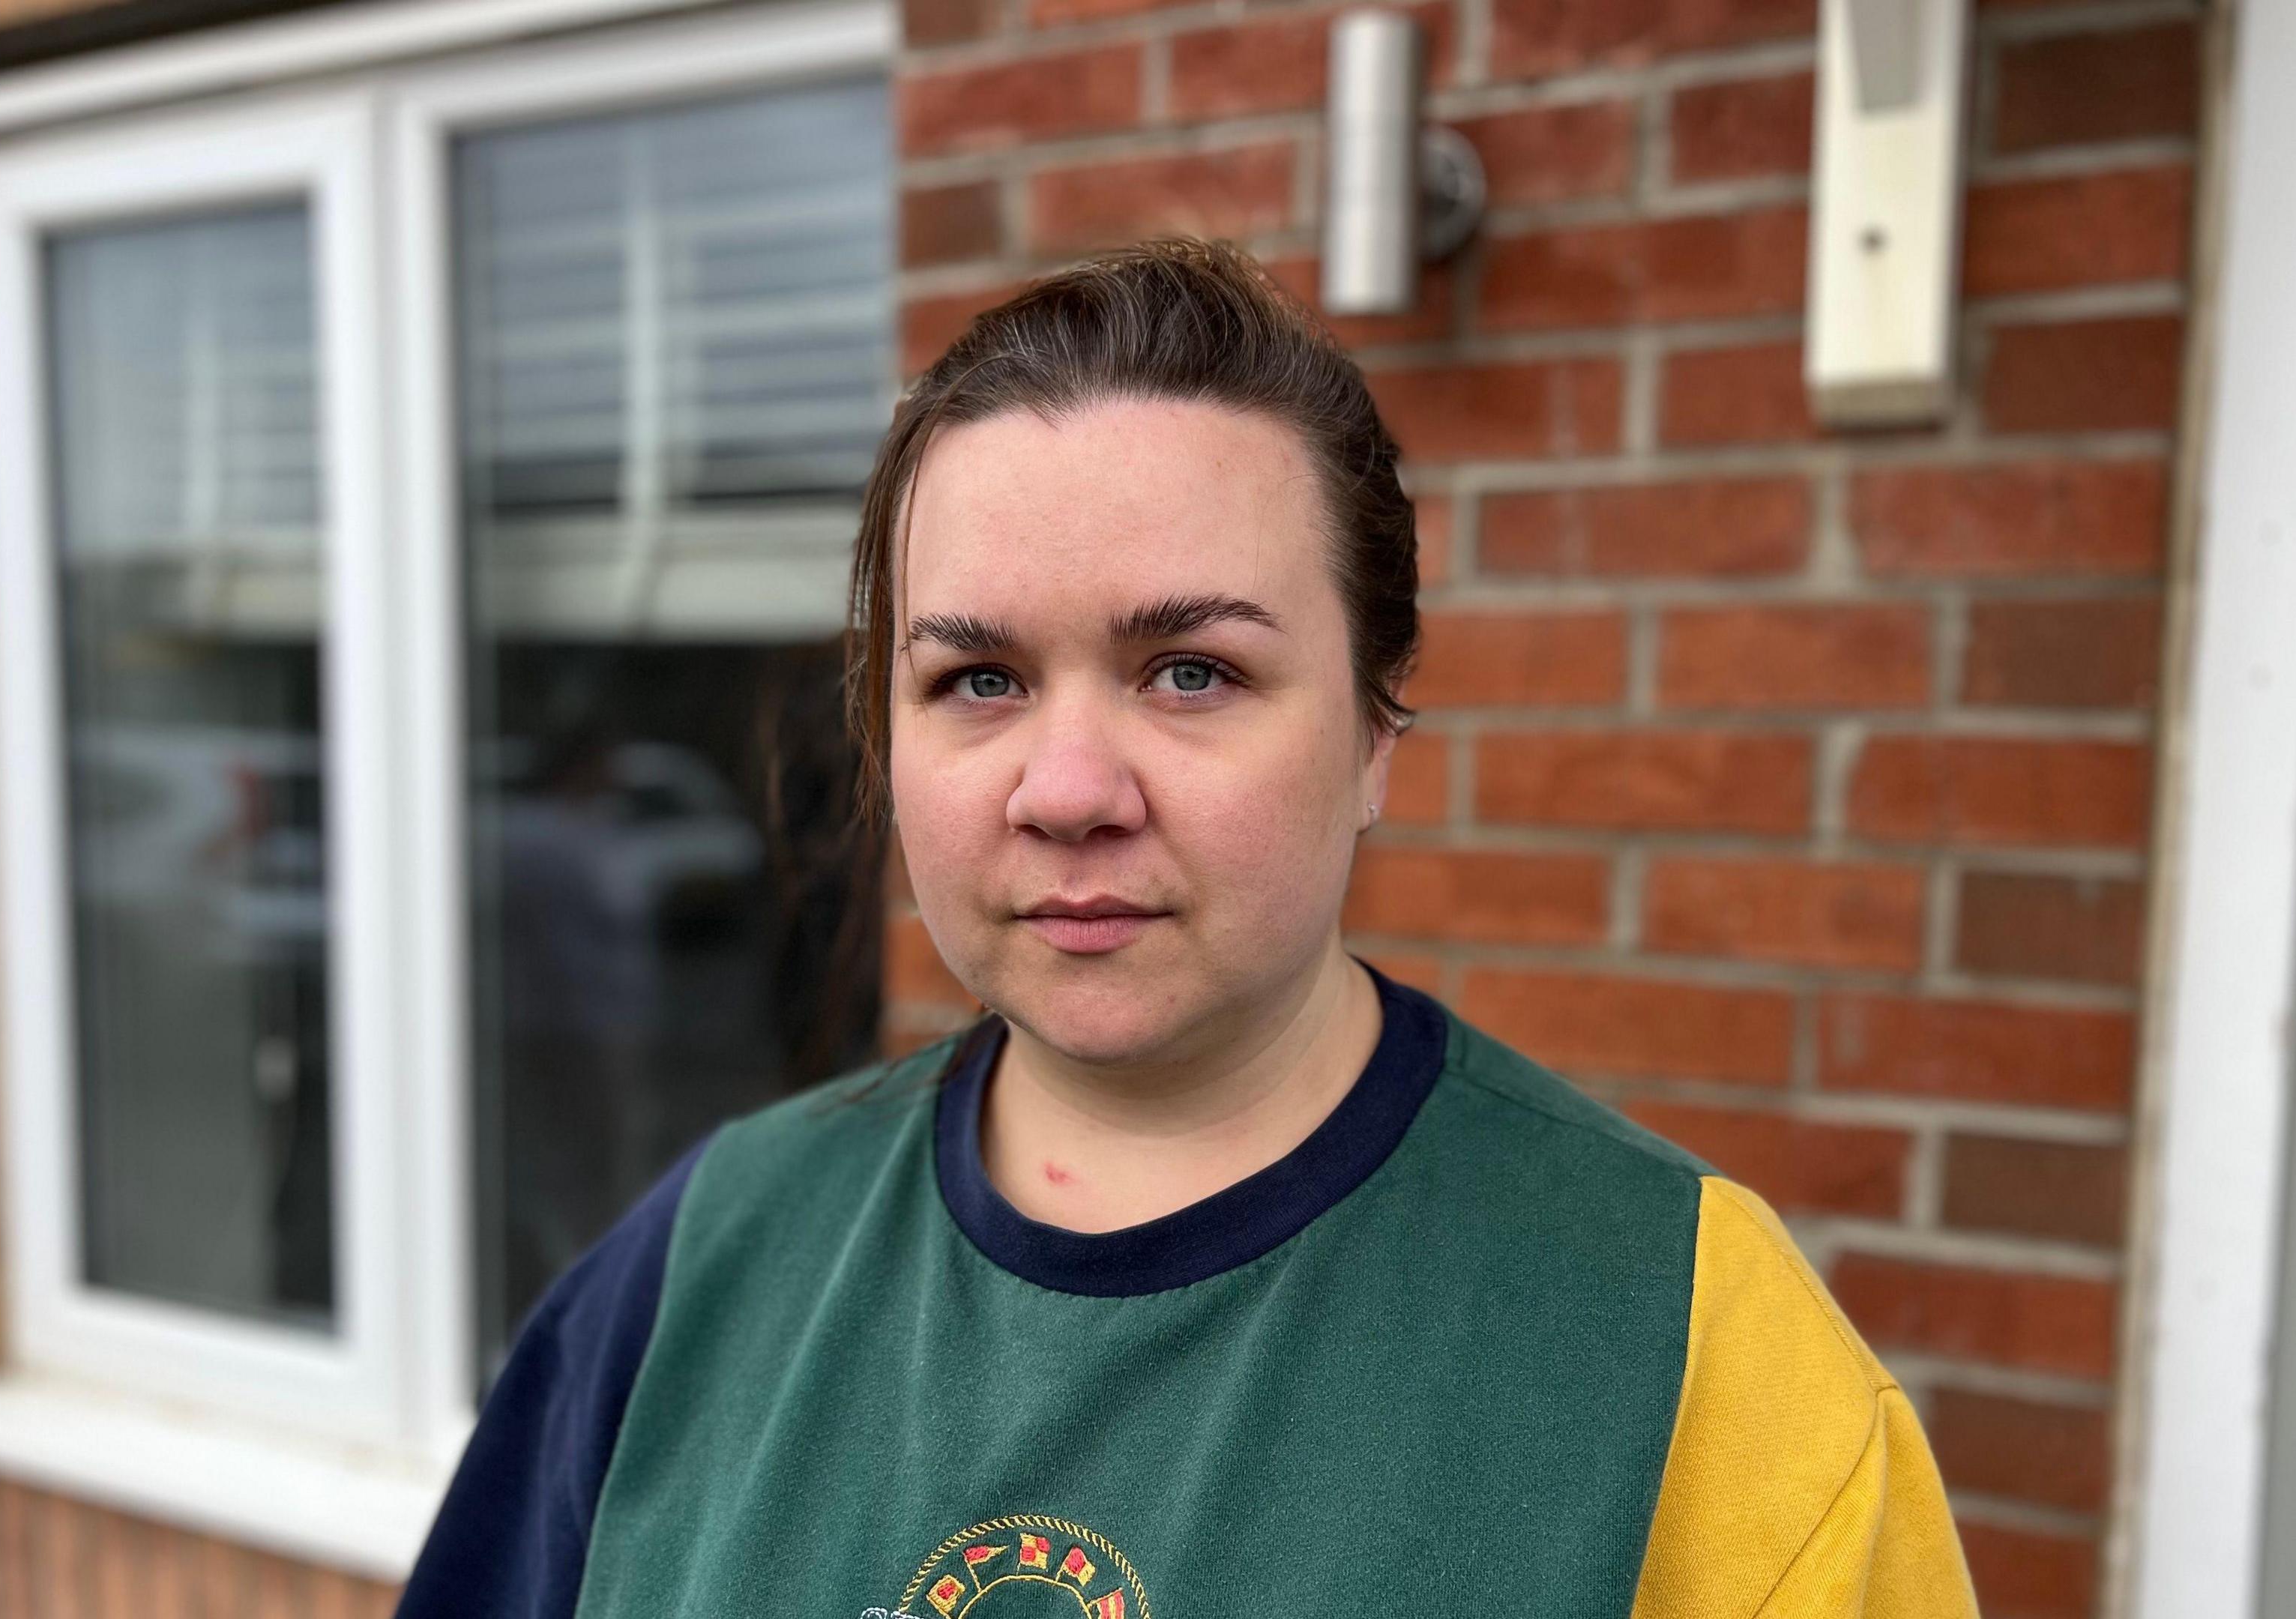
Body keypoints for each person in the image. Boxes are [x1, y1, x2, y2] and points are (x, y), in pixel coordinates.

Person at [395, 236, 1980, 1619]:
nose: (1068, 789)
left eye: (1193, 672)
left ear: (1374, 733)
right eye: (980, 681)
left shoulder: (1692, 1352)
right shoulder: (700, 1269)